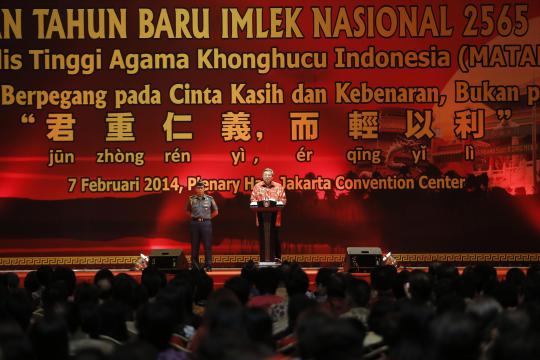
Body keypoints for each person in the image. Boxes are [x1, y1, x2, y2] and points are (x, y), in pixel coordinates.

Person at [250, 168, 286, 261]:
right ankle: (263, 258)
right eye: (265, 175)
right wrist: (254, 203)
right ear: (262, 176)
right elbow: (253, 199)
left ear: (272, 176)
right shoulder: (257, 186)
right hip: (261, 218)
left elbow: (283, 200)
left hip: (275, 218)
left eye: (269, 175)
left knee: (275, 238)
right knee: (263, 238)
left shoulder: (278, 186)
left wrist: (279, 203)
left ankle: (277, 258)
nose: (267, 176)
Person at [186, 181, 218, 271]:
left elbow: (216, 211)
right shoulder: (191, 199)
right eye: (198, 188)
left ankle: (208, 265)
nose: (200, 189)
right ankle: (195, 265)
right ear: (195, 189)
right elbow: (187, 211)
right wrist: (193, 217)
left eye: (201, 188)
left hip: (206, 224)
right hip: (194, 224)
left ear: (204, 189)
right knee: (194, 245)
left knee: (207, 245)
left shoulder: (210, 199)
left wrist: (207, 218)